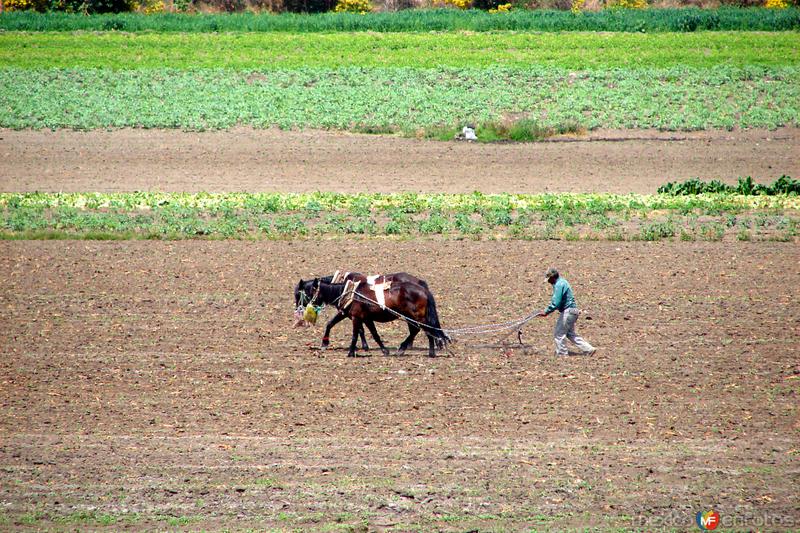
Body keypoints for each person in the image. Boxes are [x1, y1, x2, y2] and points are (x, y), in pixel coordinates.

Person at [536, 267, 596, 356]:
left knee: (559, 333)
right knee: (570, 333)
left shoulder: (559, 285)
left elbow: (556, 302)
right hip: (573, 311)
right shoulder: (562, 282)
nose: (548, 282)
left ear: (553, 277)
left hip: (568, 311)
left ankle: (562, 354)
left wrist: (546, 311)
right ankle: (589, 349)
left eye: (549, 279)